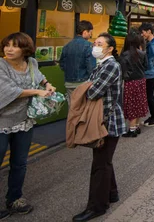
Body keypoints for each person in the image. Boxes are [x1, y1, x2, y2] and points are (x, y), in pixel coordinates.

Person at [73, 33, 127, 222]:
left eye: (99, 44)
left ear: (110, 48)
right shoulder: (103, 65)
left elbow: (93, 92)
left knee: (100, 165)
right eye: (95, 43)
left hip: (107, 121)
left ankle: (97, 206)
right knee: (104, 161)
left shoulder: (111, 66)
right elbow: (91, 88)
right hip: (103, 119)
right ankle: (111, 194)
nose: (95, 46)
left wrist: (85, 88)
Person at [0, 33, 55, 218]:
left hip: (24, 121)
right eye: (7, 45)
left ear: (25, 49)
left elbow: (39, 76)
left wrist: (47, 85)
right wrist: (37, 91)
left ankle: (15, 198)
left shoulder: (31, 63)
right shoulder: (1, 65)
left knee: (20, 163)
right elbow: (9, 91)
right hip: (2, 122)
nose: (9, 49)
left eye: (14, 46)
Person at [118, 32, 148, 138]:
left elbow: (122, 70)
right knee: (139, 104)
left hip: (130, 82)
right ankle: (136, 126)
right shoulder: (142, 53)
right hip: (141, 81)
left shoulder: (124, 55)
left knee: (131, 105)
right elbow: (146, 66)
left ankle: (131, 130)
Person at [59, 20, 95, 104]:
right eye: (90, 32)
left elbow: (62, 65)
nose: (91, 35)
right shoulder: (88, 46)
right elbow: (91, 68)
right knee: (82, 110)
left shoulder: (67, 46)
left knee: (72, 109)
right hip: (83, 83)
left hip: (68, 82)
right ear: (85, 32)